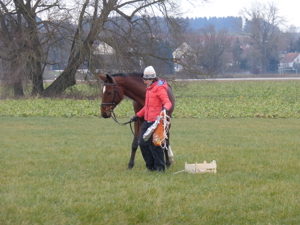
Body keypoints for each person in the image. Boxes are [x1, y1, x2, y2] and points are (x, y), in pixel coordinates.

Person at [131, 66, 172, 172]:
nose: (143, 81)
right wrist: (138, 115)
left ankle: (159, 167)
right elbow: (147, 107)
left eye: (145, 79)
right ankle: (150, 166)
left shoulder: (159, 89)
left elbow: (168, 102)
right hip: (147, 121)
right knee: (143, 144)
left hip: (157, 122)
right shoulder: (149, 89)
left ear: (151, 79)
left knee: (157, 145)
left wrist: (164, 110)